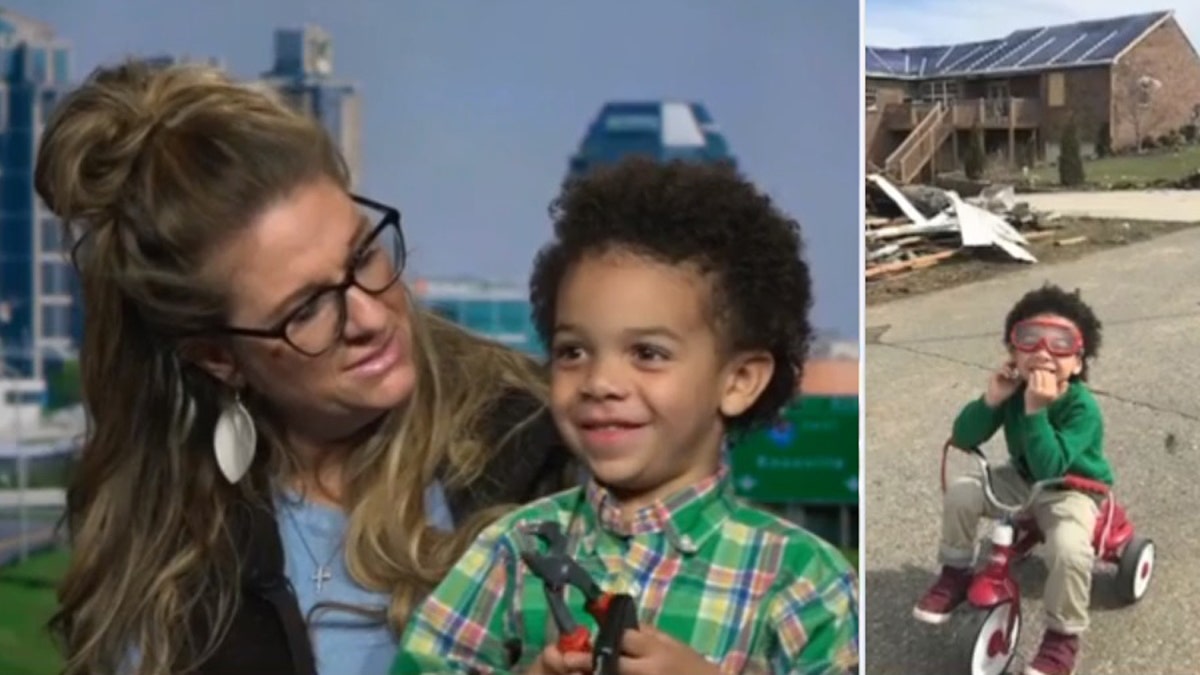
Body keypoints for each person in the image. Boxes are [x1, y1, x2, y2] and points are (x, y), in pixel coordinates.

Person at [36, 59, 578, 675]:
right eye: (309, 308)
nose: (370, 317)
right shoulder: (162, 555)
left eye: (364, 253)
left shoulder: (541, 446)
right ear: (219, 358)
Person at [392, 158, 860, 674]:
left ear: (739, 380)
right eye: (573, 351)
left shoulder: (802, 579)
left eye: (648, 353)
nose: (599, 382)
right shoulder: (514, 549)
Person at [912, 284, 1110, 675]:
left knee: (1069, 549)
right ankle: (955, 573)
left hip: (1072, 488)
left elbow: (1053, 467)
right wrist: (991, 401)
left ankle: (1063, 635)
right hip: (1022, 480)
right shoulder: (1013, 392)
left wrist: (1036, 412)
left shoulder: (1082, 409)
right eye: (1028, 340)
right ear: (1012, 352)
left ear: (1078, 360)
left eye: (1060, 344)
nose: (1042, 353)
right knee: (964, 491)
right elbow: (964, 438)